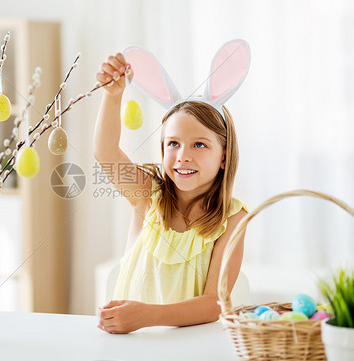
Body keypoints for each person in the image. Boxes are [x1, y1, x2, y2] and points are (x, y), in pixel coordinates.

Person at [93, 43, 250, 334]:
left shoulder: (233, 219)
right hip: (130, 345)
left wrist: (145, 316)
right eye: (173, 143)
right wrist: (112, 97)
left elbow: (214, 303)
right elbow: (106, 153)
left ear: (224, 157)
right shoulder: (147, 195)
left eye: (199, 144)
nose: (183, 156)